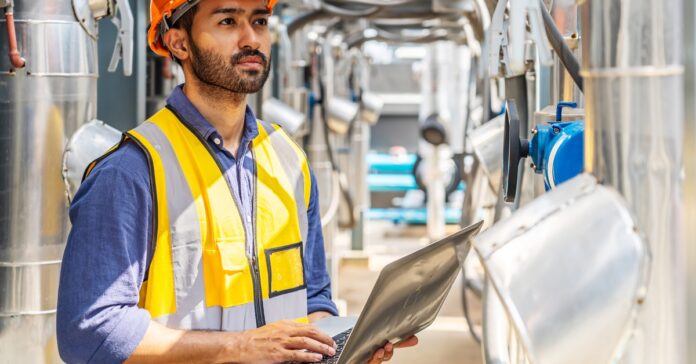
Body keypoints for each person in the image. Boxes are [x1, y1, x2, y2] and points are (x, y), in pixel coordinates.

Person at [56, 0, 417, 363]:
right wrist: (238, 346)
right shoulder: (131, 173)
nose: (252, 38)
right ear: (179, 43)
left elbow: (313, 299)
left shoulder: (290, 160)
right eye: (228, 21)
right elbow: (90, 332)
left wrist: (341, 347)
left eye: (259, 21)